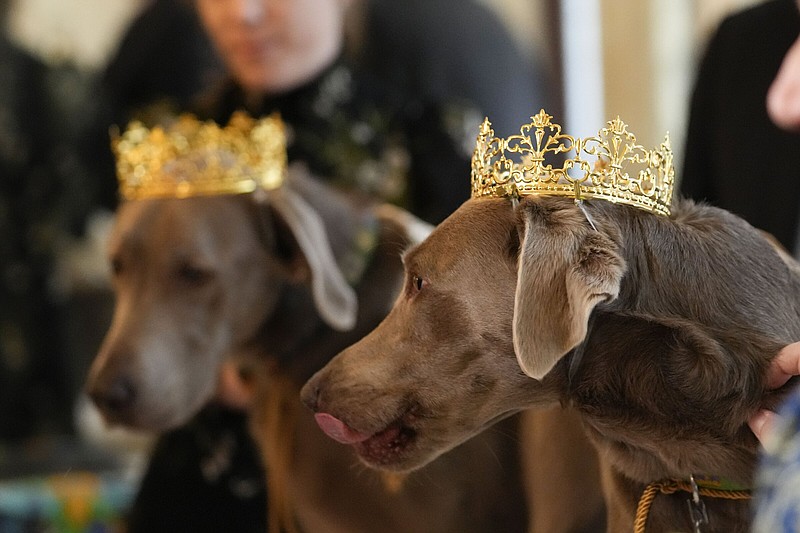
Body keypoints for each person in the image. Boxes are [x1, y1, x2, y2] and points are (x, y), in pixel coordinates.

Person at [119, 0, 546, 531]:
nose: (241, 15)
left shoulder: (427, 144)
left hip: (390, 477)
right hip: (211, 475)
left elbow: (496, 332)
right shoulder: (175, 148)